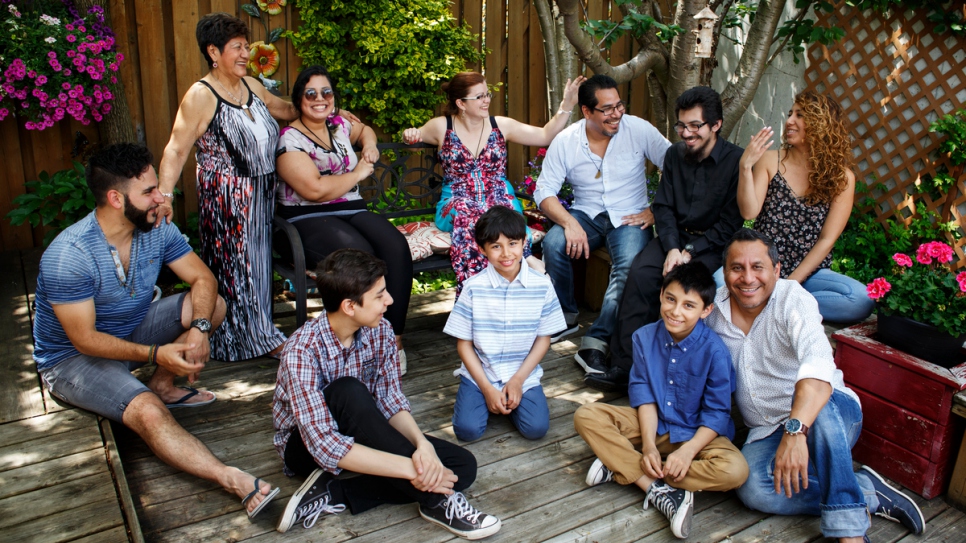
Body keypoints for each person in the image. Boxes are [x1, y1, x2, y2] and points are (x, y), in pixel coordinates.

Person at [33, 143, 279, 519]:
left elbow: (202, 278)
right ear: (116, 198)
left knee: (213, 306)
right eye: (148, 191)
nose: (160, 198)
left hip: (131, 328)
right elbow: (84, 339)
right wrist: (155, 354)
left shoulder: (155, 228)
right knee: (147, 412)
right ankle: (232, 479)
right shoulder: (70, 254)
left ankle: (163, 384)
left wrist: (199, 329)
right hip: (74, 360)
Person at [706, 228, 925, 542]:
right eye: (737, 268)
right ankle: (866, 491)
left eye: (758, 267)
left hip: (832, 414)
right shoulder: (714, 310)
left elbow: (819, 372)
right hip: (767, 429)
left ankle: (849, 532)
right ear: (724, 272)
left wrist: (796, 431)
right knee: (753, 489)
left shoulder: (793, 300)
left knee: (816, 407)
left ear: (777, 270)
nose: (747, 278)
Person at [272, 249, 501, 539]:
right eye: (379, 295)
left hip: (361, 431)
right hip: (306, 447)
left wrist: (422, 446)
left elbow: (390, 400)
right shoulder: (301, 351)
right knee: (348, 391)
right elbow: (324, 444)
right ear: (349, 306)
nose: (389, 300)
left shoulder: (380, 331)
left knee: (461, 467)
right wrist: (414, 469)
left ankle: (334, 491)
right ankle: (437, 503)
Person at [156, 13, 298, 361]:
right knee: (240, 269)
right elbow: (176, 148)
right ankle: (258, 339)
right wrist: (163, 194)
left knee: (257, 267)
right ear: (213, 52)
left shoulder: (252, 86)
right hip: (227, 201)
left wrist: (329, 109)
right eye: (236, 47)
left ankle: (251, 335)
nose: (245, 54)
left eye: (246, 46)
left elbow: (287, 110)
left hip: (262, 196)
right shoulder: (201, 95)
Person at [573, 261, 748, 539]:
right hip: (654, 426)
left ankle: (620, 464)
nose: (675, 311)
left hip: (698, 433)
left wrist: (688, 451)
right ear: (661, 295)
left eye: (689, 306)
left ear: (706, 310)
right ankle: (654, 486)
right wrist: (651, 446)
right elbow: (643, 395)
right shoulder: (644, 337)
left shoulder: (715, 351)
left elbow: (717, 414)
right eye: (670, 299)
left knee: (735, 471)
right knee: (586, 416)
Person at [587, 86, 742, 393]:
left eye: (694, 126)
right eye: (682, 125)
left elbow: (730, 225)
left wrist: (688, 252)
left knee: (685, 289)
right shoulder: (674, 155)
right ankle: (623, 366)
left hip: (711, 247)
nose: (686, 133)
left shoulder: (736, 162)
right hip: (674, 238)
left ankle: (674, 374)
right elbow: (663, 207)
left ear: (716, 125)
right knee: (641, 274)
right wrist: (672, 247)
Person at [275, 65, 413, 374]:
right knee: (359, 255)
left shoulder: (338, 125)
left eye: (326, 92)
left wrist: (371, 144)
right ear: (299, 99)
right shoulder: (290, 141)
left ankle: (393, 341)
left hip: (351, 207)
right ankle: (355, 344)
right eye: (310, 93)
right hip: (304, 217)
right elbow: (315, 190)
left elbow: (364, 130)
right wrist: (359, 173)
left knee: (396, 247)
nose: (319, 98)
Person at [535, 74, 670, 377]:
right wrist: (569, 222)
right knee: (554, 243)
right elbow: (543, 191)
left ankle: (597, 338)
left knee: (629, 266)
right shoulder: (567, 141)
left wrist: (655, 210)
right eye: (607, 109)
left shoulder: (638, 129)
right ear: (587, 111)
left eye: (619, 105)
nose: (616, 114)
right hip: (587, 213)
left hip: (630, 216)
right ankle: (565, 316)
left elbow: (675, 164)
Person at [402, 72, 585, 293]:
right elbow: (413, 136)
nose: (487, 100)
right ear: (461, 103)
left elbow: (545, 135)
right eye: (479, 97)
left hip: (499, 199)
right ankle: (490, 284)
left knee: (500, 213)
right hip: (456, 203)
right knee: (469, 212)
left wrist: (566, 105)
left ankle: (490, 293)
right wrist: (409, 134)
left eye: (487, 94)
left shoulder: (500, 125)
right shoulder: (441, 126)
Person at [731, 90, 873, 323]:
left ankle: (776, 303)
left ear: (820, 124)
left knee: (860, 298)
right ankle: (773, 302)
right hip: (760, 265)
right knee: (718, 284)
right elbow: (749, 212)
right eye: (790, 114)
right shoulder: (771, 160)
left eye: (800, 115)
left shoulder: (842, 178)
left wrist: (790, 285)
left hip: (809, 274)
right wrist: (746, 166)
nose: (789, 121)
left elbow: (827, 239)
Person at [443, 206, 566, 442]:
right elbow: (464, 345)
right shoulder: (473, 288)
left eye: (512, 244)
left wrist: (518, 380)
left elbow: (544, 339)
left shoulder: (542, 285)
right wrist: (488, 389)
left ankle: (510, 399)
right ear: (482, 250)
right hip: (481, 374)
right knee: (467, 431)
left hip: (523, 372)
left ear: (524, 242)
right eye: (496, 246)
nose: (506, 253)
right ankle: (493, 398)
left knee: (536, 429)